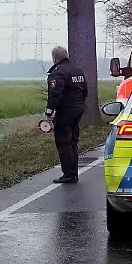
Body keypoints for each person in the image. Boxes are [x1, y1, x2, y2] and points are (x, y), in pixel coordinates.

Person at [45, 46, 88, 183]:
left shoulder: (58, 73)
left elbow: (55, 94)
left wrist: (49, 111)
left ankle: (68, 174)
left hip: (65, 111)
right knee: (73, 141)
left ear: (54, 58)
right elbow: (84, 91)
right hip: (78, 109)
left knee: (63, 142)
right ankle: (73, 172)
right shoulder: (77, 70)